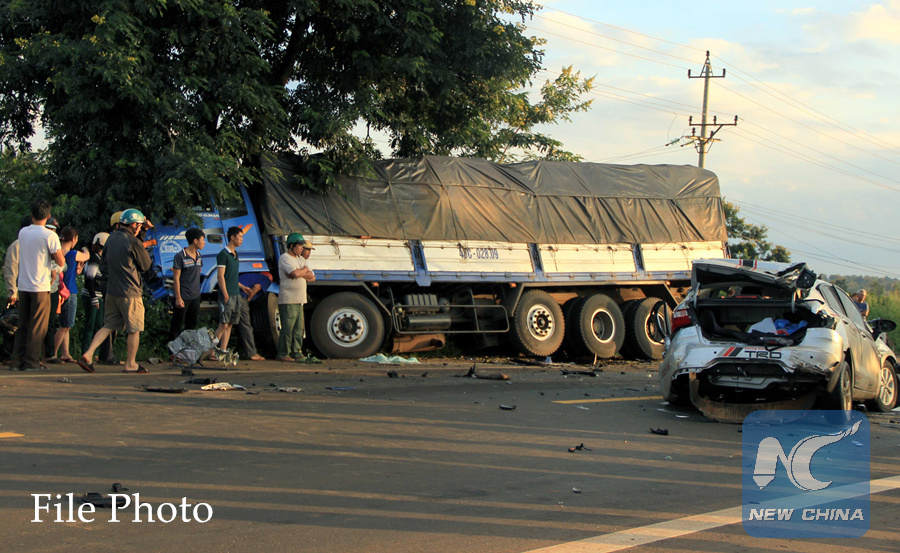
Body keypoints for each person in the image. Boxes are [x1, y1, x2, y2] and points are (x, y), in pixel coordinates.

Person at [78, 209, 153, 373]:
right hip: (130, 291)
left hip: (112, 290)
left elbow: (103, 266)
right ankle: (131, 364)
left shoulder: (111, 239)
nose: (140, 228)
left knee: (108, 325)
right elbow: (145, 265)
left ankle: (89, 354)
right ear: (134, 224)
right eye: (139, 225)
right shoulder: (132, 241)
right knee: (134, 329)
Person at [9, 200, 65, 371]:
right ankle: (31, 362)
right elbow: (60, 260)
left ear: (32, 215)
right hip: (40, 286)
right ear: (48, 217)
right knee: (38, 326)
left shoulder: (23, 232)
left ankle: (16, 361)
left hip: (23, 285)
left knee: (23, 324)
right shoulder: (50, 235)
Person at [213, 226, 264, 360]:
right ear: (232, 237)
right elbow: (221, 276)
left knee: (230, 324)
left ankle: (222, 351)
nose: (242, 240)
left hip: (236, 293)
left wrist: (242, 287)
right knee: (223, 324)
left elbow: (232, 277)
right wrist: (225, 293)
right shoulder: (223, 255)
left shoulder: (236, 255)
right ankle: (211, 351)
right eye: (240, 237)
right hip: (227, 294)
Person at [47, 227, 90, 363]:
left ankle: (65, 353)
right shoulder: (72, 253)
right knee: (66, 325)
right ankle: (52, 353)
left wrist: (77, 272)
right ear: (74, 239)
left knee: (63, 324)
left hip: (59, 290)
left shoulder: (57, 252)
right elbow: (86, 256)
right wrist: (85, 249)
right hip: (70, 291)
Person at [276, 233, 315, 362]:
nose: (301, 248)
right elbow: (294, 274)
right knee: (288, 327)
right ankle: (283, 353)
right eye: (299, 246)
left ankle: (296, 351)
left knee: (298, 328)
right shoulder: (285, 258)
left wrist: (301, 272)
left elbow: (312, 277)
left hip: (300, 299)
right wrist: (304, 271)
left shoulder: (301, 260)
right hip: (289, 299)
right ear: (291, 246)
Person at [1, 215, 34, 363]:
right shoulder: (17, 245)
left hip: (30, 289)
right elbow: (11, 269)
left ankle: (20, 355)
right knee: (13, 324)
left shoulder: (33, 245)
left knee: (26, 325)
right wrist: (11, 291)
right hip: (19, 291)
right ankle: (8, 355)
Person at [168, 227, 205, 342]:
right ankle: (173, 349)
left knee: (191, 326)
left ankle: (188, 349)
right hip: (183, 296)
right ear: (195, 241)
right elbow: (176, 278)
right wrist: (178, 297)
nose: (204, 243)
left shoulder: (199, 255)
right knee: (177, 325)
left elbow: (198, 273)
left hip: (195, 296)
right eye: (202, 240)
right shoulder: (180, 256)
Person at [81, 232, 108, 355]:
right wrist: (93, 298)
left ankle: (94, 352)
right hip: (92, 296)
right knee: (90, 325)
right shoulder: (95, 259)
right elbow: (89, 278)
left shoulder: (100, 259)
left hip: (98, 296)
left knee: (98, 325)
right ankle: (86, 350)